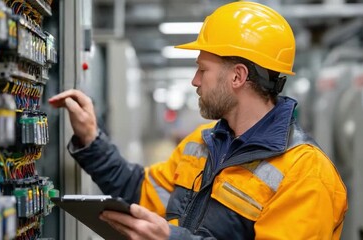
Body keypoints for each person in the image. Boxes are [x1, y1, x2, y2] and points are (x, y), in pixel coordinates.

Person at [49, 1, 347, 239]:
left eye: (203, 70)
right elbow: (141, 191)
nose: (194, 80)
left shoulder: (306, 174)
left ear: (237, 76)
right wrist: (91, 138)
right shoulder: (202, 143)